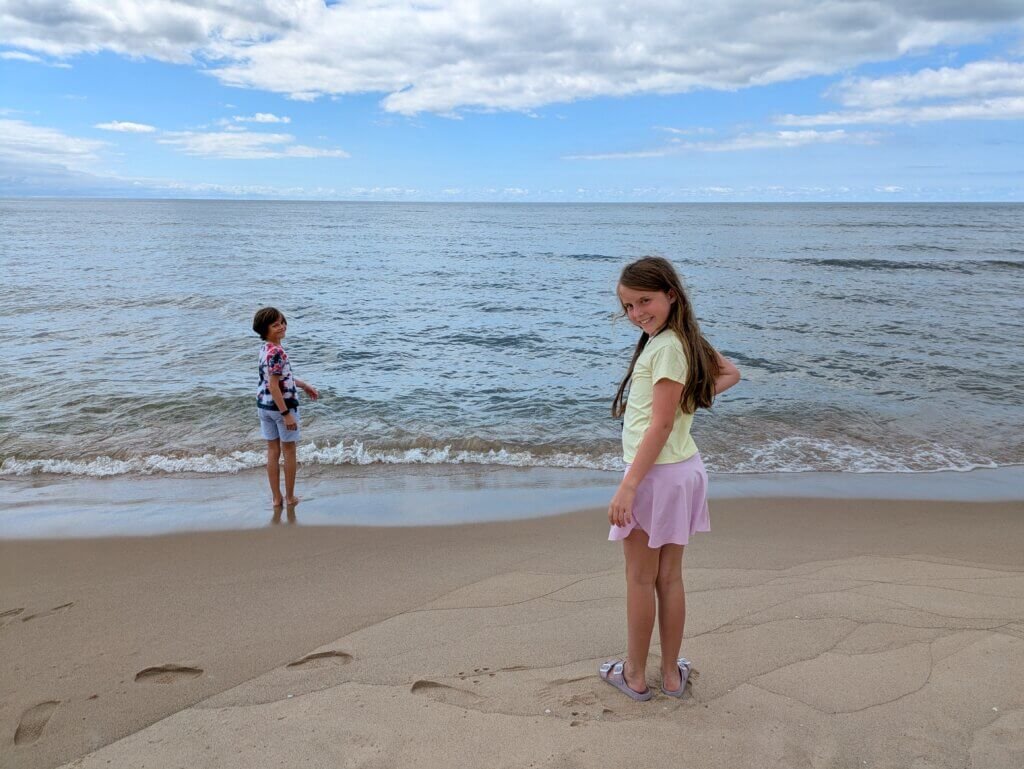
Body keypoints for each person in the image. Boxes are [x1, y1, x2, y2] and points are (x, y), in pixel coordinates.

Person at [599, 257, 740, 701]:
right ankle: (673, 677)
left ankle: (635, 676)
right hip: (682, 472)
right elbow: (730, 373)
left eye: (645, 301)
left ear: (671, 295)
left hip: (654, 476)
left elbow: (659, 426)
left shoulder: (664, 348)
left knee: (641, 579)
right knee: (670, 578)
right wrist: (687, 402)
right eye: (628, 306)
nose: (637, 313)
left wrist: (629, 486)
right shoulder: (684, 339)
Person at [252, 307, 319, 507]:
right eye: (275, 325)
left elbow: (280, 379)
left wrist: (304, 385)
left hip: (264, 407)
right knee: (289, 451)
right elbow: (275, 387)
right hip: (281, 407)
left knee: (272, 451)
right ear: (265, 330)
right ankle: (289, 498)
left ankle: (276, 498)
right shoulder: (278, 352)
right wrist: (286, 414)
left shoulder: (265, 349)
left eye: (282, 322)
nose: (282, 327)